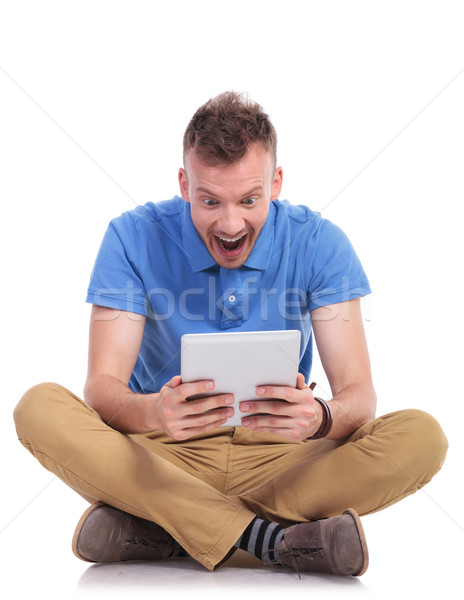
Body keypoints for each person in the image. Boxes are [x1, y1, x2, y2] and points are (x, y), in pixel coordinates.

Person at [13, 91, 448, 577]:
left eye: (248, 199)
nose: (230, 223)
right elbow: (102, 388)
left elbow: (359, 396)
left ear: (275, 183)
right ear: (184, 183)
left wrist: (320, 418)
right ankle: (274, 541)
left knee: (422, 437)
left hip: (286, 459)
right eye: (209, 201)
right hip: (164, 454)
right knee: (39, 407)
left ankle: (166, 529)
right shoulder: (131, 237)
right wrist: (152, 409)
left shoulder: (321, 242)